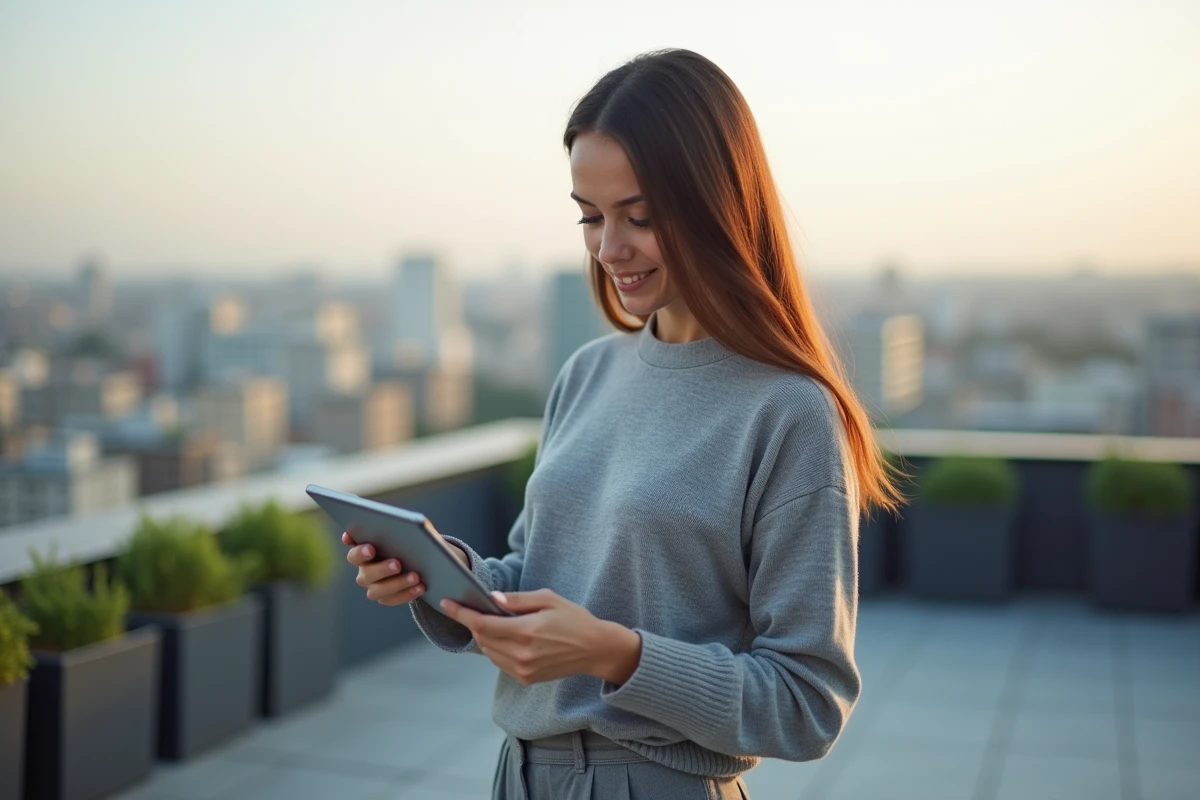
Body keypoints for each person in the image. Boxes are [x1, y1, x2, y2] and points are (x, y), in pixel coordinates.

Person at [343, 48, 902, 799]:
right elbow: (538, 578)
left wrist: (616, 655)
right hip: (521, 774)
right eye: (590, 216)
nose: (610, 248)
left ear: (719, 206)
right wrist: (444, 576)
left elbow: (807, 703)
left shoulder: (789, 412)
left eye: (639, 217)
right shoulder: (586, 374)